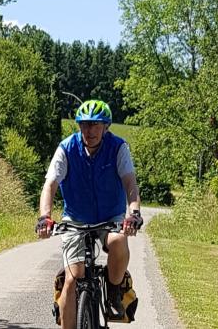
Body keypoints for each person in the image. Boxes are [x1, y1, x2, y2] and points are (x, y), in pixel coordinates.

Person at [37, 100, 143, 329]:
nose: (89, 131)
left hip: (110, 217)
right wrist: (44, 217)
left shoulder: (118, 148)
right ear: (78, 126)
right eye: (84, 125)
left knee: (118, 240)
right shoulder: (66, 148)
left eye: (95, 125)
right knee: (71, 281)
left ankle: (114, 289)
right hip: (75, 219)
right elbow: (50, 185)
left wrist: (133, 213)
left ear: (106, 127)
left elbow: (130, 184)